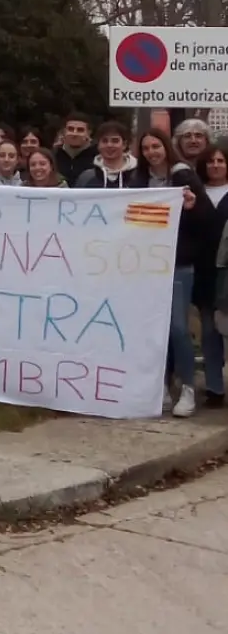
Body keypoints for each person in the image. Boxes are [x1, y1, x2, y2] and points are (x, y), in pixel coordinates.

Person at [133, 129, 214, 418]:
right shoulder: (138, 180)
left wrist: (191, 207)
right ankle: (163, 386)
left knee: (178, 327)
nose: (151, 152)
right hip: (148, 264)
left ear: (166, 147)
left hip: (179, 263)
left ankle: (188, 388)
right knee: (156, 327)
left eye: (156, 146)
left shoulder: (183, 175)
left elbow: (206, 217)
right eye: (146, 148)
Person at [192, 145, 228, 408]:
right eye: (211, 161)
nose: (215, 165)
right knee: (209, 332)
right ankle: (215, 387)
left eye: (221, 161)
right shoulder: (195, 193)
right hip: (204, 272)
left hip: (227, 272)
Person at [74, 121, 137, 190]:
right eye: (104, 141)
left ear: (124, 145)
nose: (109, 145)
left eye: (115, 141)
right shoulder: (86, 178)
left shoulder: (138, 176)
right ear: (98, 144)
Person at [54, 113, 96, 189]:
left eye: (80, 130)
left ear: (89, 133)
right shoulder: (53, 156)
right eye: (70, 129)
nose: (74, 133)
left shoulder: (97, 158)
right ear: (64, 131)